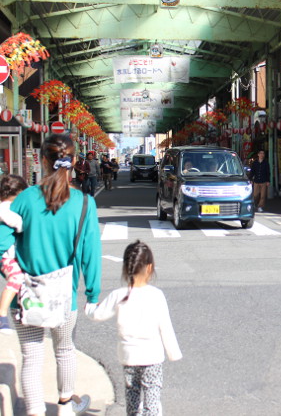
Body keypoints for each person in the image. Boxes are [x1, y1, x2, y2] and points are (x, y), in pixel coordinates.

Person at [0, 134, 101, 416]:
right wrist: (92, 293)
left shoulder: (25, 200)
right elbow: (89, 252)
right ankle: (66, 407)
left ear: (43, 161)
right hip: (64, 295)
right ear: (75, 162)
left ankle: (33, 412)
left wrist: (13, 270)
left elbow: (0, 242)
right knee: (65, 350)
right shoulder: (83, 203)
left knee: (31, 357)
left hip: (26, 295)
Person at [85, 240, 182, 416]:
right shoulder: (156, 295)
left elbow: (98, 314)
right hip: (152, 356)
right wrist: (173, 353)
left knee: (132, 393)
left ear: (126, 268)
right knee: (152, 396)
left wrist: (90, 307)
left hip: (128, 356)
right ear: (150, 268)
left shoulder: (119, 295)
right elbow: (165, 327)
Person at [0, 174, 28, 333]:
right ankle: (2, 316)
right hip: (5, 255)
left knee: (18, 281)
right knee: (16, 278)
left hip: (6, 254)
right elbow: (17, 223)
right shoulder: (6, 207)